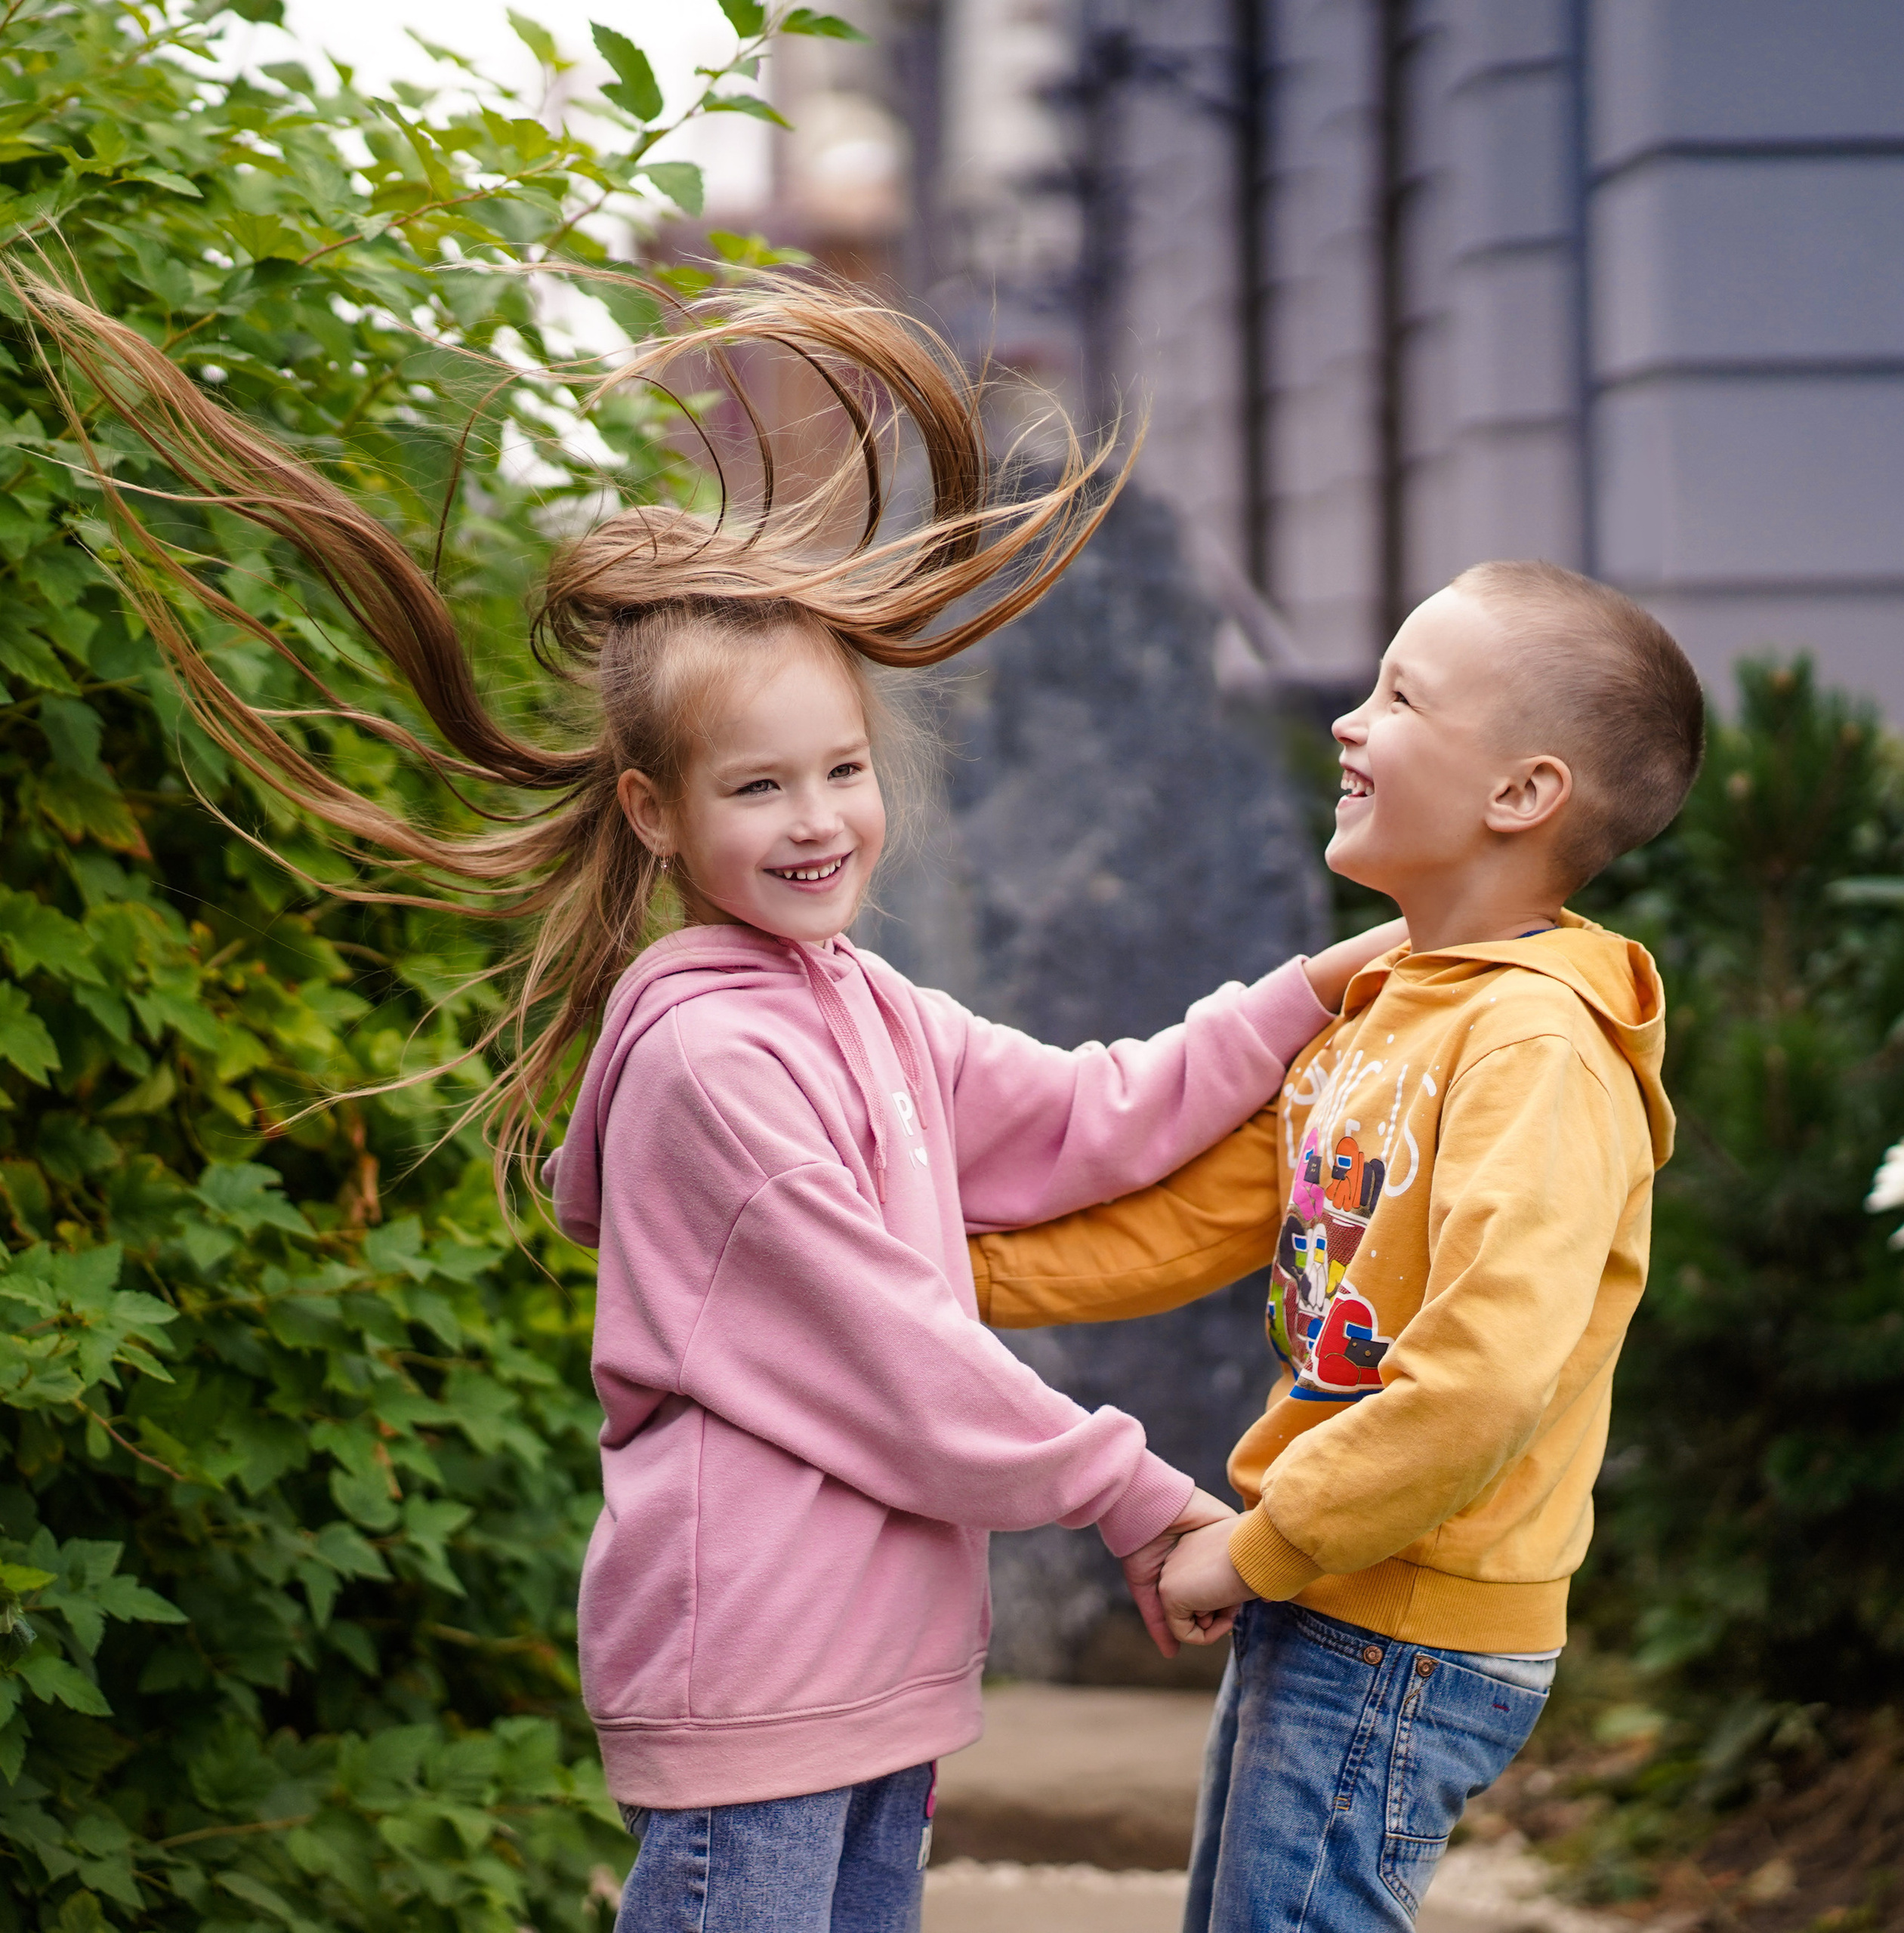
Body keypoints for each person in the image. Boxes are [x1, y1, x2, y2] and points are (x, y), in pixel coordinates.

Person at [15, 264, 1399, 1932]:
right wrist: (1132, 1488)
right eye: (756, 785)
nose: (818, 818)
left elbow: (1080, 1117)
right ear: (654, 815)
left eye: (840, 769)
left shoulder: (859, 1003)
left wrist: (1300, 995)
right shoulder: (708, 1061)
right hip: (754, 1673)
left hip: (876, 1668)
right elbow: (895, 1347)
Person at [971, 560, 1704, 1932]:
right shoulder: (1395, 1009)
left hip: (1409, 1617)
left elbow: (1484, 1381)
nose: (1347, 724)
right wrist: (949, 1277)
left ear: (1520, 795)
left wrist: (1259, 1546)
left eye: (1401, 697)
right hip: (1333, 1577)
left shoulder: (1536, 1050)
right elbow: (1201, 1222)